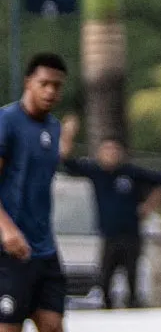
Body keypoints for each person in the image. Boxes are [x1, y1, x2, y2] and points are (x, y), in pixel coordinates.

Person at [58, 115, 161, 309]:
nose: (110, 154)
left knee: (132, 277)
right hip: (109, 235)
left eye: (114, 150)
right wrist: (68, 134)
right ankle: (106, 309)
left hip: (131, 234)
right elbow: (66, 162)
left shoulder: (131, 172)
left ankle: (133, 309)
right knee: (105, 278)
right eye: (106, 150)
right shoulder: (96, 172)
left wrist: (148, 207)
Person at [0, 53, 68, 332]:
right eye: (44, 83)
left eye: (57, 85)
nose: (50, 91)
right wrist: (6, 229)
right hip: (9, 250)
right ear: (28, 82)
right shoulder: (6, 121)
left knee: (53, 324)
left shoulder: (53, 127)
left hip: (44, 249)